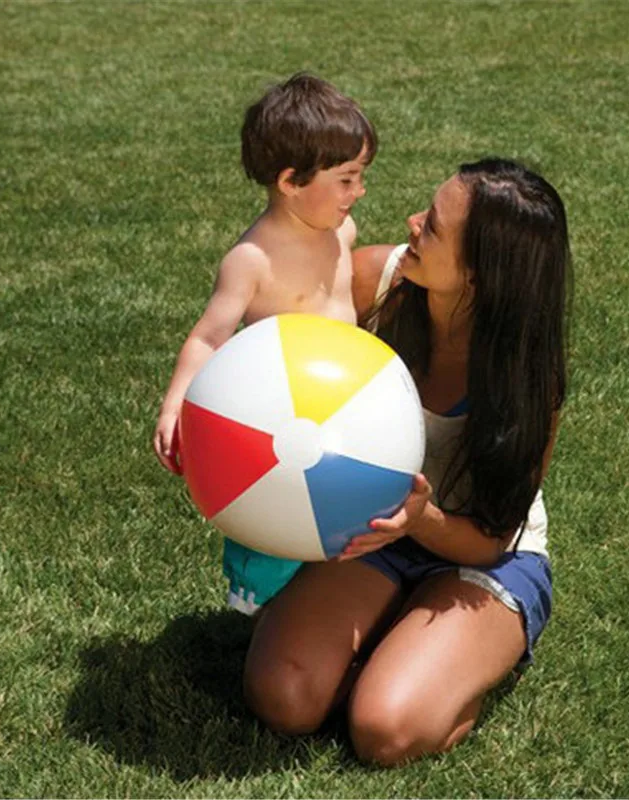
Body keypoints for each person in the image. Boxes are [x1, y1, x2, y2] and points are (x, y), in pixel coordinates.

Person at [242, 157, 572, 766]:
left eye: (434, 227)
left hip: (485, 558)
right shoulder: (375, 283)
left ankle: (454, 664)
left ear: (480, 275)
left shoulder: (528, 380)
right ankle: (398, 636)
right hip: (375, 535)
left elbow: (493, 539)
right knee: (284, 697)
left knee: (385, 731)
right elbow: (281, 367)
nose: (411, 223)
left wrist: (420, 520)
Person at [152, 73, 377, 612]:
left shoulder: (341, 233)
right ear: (291, 181)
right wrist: (175, 404)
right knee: (276, 524)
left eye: (361, 176)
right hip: (275, 425)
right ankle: (253, 605)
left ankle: (326, 605)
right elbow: (209, 337)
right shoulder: (253, 260)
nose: (359, 192)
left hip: (340, 410)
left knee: (341, 518)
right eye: (346, 179)